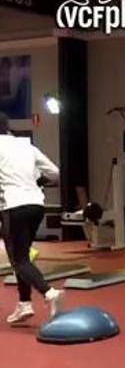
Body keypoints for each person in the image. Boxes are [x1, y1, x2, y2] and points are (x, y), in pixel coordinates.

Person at [0, 113, 64, 324]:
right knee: (22, 256)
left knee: (18, 260)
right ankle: (24, 303)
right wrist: (37, 181)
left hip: (13, 206)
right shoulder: (26, 146)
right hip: (36, 205)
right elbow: (55, 173)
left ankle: (49, 293)